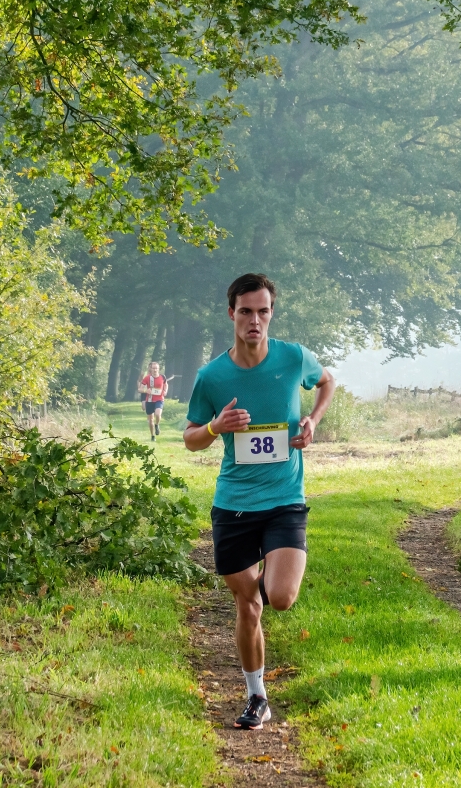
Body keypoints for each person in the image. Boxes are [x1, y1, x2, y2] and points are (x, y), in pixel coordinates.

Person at [184, 273, 336, 730]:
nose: (255, 320)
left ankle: (274, 561)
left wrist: (312, 420)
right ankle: (257, 696)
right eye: (246, 311)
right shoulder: (211, 376)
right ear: (231, 313)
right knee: (247, 605)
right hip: (233, 504)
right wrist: (216, 428)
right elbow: (190, 439)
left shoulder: (293, 358)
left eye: (263, 311)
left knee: (281, 597)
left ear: (272, 313)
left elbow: (327, 382)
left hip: (285, 499)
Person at [138, 361, 168, 440]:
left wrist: (165, 391)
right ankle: (152, 435)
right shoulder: (147, 378)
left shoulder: (163, 377)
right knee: (150, 419)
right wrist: (145, 391)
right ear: (151, 369)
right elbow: (140, 389)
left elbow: (165, 384)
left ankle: (157, 425)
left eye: (156, 368)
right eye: (153, 368)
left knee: (158, 414)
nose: (155, 370)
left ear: (159, 369)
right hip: (149, 400)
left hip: (159, 399)